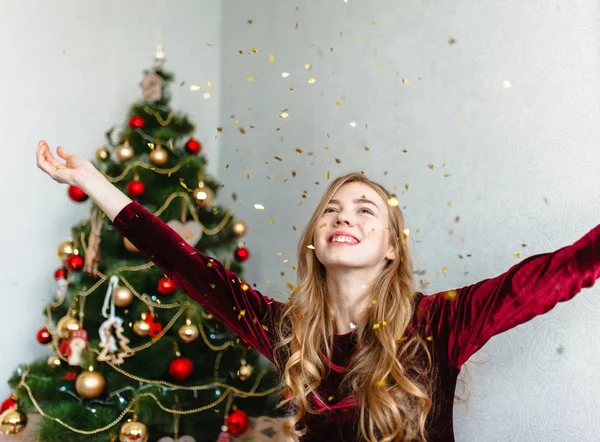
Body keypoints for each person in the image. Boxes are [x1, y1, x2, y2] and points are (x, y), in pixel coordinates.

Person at [35, 140, 600, 442]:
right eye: (331, 209)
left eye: (363, 209)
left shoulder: (441, 323)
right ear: (315, 241)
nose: (342, 215)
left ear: (390, 249)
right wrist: (90, 181)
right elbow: (186, 265)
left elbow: (557, 273)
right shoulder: (287, 331)